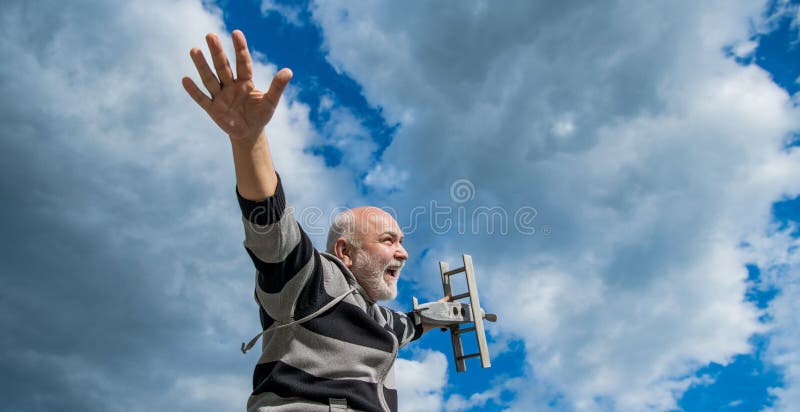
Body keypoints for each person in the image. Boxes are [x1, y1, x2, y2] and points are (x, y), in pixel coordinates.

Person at [182, 30, 440, 412]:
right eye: (388, 240)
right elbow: (271, 226)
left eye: (401, 241)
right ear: (344, 251)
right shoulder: (309, 279)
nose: (402, 252)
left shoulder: (380, 320)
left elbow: (412, 324)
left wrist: (446, 312)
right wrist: (248, 140)